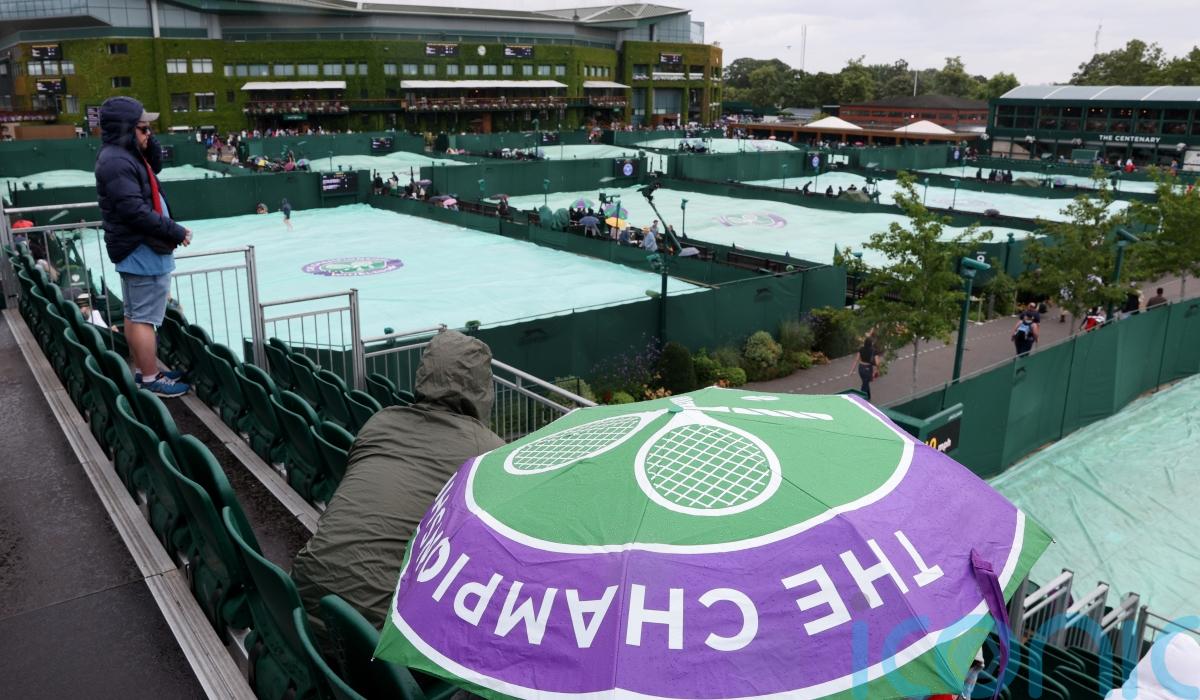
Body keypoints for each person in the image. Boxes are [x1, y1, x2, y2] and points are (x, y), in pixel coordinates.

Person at [291, 331, 505, 638]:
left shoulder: (380, 422)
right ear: (483, 386)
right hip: (378, 626)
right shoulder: (488, 452)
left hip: (306, 589)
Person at [95, 96, 190, 398]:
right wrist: (175, 231)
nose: (149, 134)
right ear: (125, 129)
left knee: (136, 314)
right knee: (143, 318)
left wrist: (147, 140)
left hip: (140, 247)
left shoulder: (125, 154)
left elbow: (156, 167)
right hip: (141, 248)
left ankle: (144, 371)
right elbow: (134, 211)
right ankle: (151, 378)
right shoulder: (116, 161)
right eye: (143, 128)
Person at [851, 331, 880, 401]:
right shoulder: (874, 351)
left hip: (861, 368)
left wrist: (852, 370)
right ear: (871, 343)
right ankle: (860, 399)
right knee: (865, 384)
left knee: (865, 382)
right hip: (868, 369)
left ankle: (868, 397)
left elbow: (856, 360)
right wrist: (876, 370)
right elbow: (877, 363)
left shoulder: (861, 349)